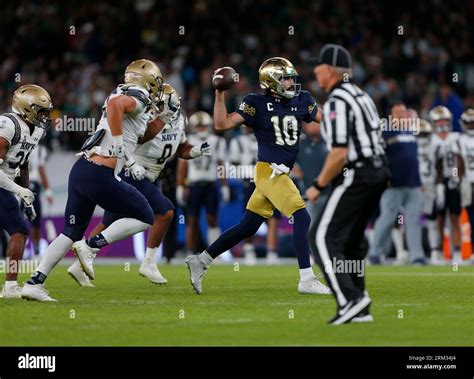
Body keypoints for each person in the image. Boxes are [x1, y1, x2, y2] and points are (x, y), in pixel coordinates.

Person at [21, 59, 165, 301]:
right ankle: (90, 246)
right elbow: (117, 107)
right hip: (100, 174)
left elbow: (134, 132)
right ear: (148, 82)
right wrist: (120, 146)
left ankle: (34, 282)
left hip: (82, 171)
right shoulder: (136, 96)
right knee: (145, 215)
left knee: (70, 231)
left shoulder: (124, 93)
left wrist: (162, 118)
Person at [185, 57, 331, 295]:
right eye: (285, 79)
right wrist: (219, 93)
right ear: (271, 81)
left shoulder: (302, 99)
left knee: (248, 226)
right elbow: (221, 124)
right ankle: (306, 278)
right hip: (268, 171)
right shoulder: (256, 103)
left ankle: (201, 260)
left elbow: (325, 119)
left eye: (291, 79)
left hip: (279, 172)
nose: (290, 83)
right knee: (302, 217)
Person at [67, 84, 212, 286]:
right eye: (160, 104)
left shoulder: (179, 119)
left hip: (148, 176)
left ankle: (80, 264)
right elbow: (139, 137)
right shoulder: (146, 115)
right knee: (165, 211)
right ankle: (149, 263)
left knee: (108, 222)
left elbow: (181, 149)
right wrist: (162, 119)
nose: (159, 106)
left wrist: (196, 151)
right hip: (133, 172)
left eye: (164, 103)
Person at [307, 44, 389, 324]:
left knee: (320, 237)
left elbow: (340, 152)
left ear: (329, 70)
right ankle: (360, 306)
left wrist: (317, 185)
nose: (315, 72)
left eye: (318, 67)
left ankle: (350, 300)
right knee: (351, 241)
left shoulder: (338, 99)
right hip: (378, 172)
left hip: (358, 172)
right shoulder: (361, 95)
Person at [0, 85, 53, 298]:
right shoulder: (8, 124)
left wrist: (26, 195)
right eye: (41, 112)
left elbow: (23, 164)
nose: (44, 117)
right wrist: (18, 191)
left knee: (19, 230)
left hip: (6, 184)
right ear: (26, 108)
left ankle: (10, 286)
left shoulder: (36, 130)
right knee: (20, 230)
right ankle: (11, 287)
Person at [368, 102, 425, 265]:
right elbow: (378, 158)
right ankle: (375, 253)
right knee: (387, 218)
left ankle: (417, 256)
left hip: (413, 183)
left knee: (413, 220)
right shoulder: (384, 133)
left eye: (404, 112)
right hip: (392, 184)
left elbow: (414, 159)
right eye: (398, 112)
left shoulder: (411, 132)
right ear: (391, 115)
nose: (402, 115)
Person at [176, 111, 230, 256]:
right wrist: (181, 186)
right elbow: (183, 166)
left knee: (212, 220)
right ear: (194, 127)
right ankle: (190, 251)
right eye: (199, 126)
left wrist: (224, 185)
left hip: (211, 184)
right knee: (192, 220)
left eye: (204, 126)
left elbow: (220, 165)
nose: (201, 129)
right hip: (193, 185)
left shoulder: (217, 141)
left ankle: (214, 253)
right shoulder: (187, 140)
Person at [228, 127, 281, 265]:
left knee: (273, 217)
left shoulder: (270, 137)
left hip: (269, 180)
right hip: (249, 181)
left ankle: (272, 251)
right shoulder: (238, 141)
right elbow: (232, 164)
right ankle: (249, 249)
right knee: (249, 217)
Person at [429, 105, 464, 264]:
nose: (442, 125)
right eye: (438, 121)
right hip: (436, 183)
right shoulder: (430, 139)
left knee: (455, 217)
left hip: (452, 181)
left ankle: (456, 253)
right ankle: (438, 252)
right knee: (439, 219)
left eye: (444, 121)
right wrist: (435, 184)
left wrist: (456, 178)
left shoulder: (456, 137)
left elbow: (460, 160)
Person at [415, 119, 445, 264]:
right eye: (419, 134)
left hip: (429, 186)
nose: (421, 137)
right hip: (412, 187)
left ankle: (434, 252)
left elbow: (439, 167)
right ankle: (407, 252)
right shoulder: (410, 146)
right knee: (406, 221)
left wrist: (440, 186)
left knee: (431, 221)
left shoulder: (436, 145)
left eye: (424, 134)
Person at [27, 143, 54, 258]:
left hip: (19, 186)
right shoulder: (39, 150)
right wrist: (48, 191)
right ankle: (35, 250)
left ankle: (32, 249)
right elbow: (41, 169)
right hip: (32, 186)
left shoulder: (20, 144)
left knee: (24, 219)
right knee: (35, 220)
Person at [458, 108, 474, 262]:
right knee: (471, 218)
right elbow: (459, 164)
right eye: (468, 124)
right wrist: (457, 178)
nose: (470, 126)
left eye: (473, 124)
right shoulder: (460, 139)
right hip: (468, 182)